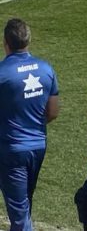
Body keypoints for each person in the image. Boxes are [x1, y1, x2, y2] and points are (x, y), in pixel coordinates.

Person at [0, 18, 59, 230]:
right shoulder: (46, 69)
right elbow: (53, 111)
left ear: (5, 42)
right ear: (28, 41)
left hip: (11, 149)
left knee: (19, 215)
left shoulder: (2, 72)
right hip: (38, 145)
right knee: (24, 204)